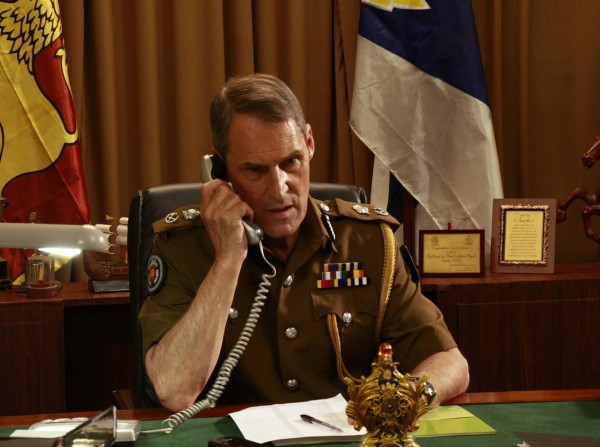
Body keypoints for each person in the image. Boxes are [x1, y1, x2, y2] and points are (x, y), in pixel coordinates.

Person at [139, 73, 469, 413]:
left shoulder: (368, 242)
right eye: (255, 170)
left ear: (309, 143)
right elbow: (174, 391)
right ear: (220, 169)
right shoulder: (182, 248)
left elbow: (449, 360)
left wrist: (407, 398)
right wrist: (227, 259)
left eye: (291, 162)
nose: (279, 188)